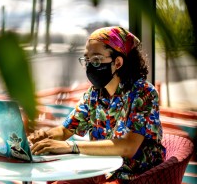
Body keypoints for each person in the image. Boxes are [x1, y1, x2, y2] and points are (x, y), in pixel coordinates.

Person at [28, 26, 166, 184]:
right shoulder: (94, 94)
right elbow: (65, 129)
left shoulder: (144, 93)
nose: (89, 65)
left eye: (96, 59)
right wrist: (42, 138)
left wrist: (70, 147)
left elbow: (129, 146)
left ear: (118, 62)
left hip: (137, 177)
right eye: (87, 59)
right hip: (101, 172)